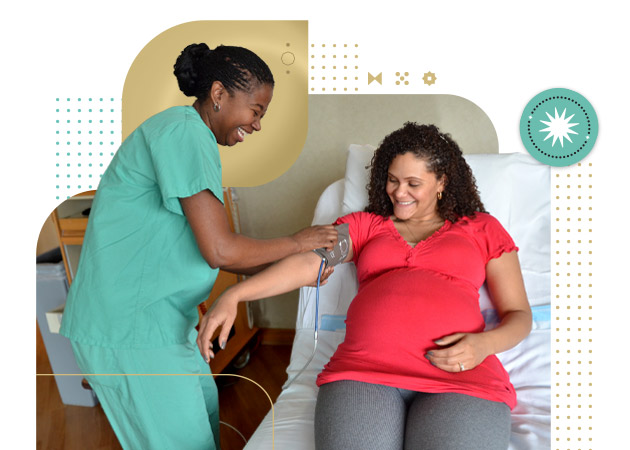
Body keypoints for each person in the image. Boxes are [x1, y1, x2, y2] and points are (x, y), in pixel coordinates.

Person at [59, 43, 336, 450]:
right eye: (256, 111)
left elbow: (226, 255)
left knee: (203, 426)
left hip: (164, 325)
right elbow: (221, 251)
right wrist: (297, 242)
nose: (258, 124)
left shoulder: (187, 137)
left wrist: (297, 264)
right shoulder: (183, 132)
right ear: (219, 94)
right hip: (129, 328)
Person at [198, 123, 533, 450]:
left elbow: (519, 314)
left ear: (442, 181)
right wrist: (237, 294)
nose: (399, 193)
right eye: (392, 180)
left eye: (413, 183)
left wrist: (484, 344)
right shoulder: (365, 226)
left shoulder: (481, 228)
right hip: (364, 373)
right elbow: (310, 262)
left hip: (461, 377)